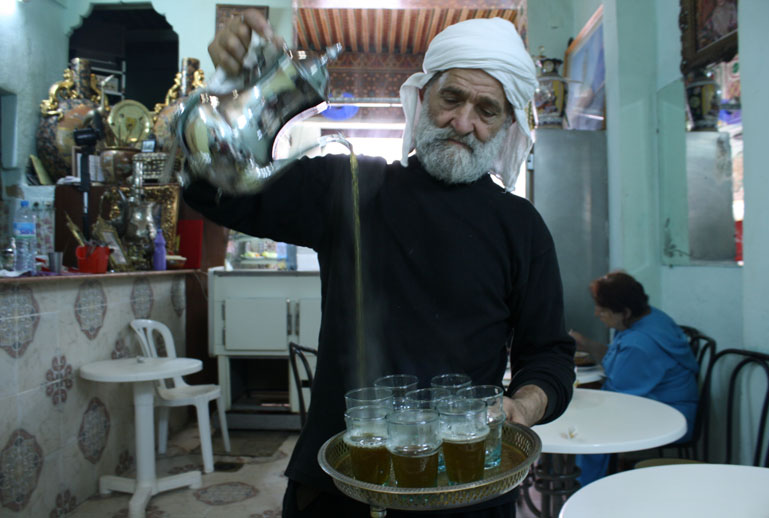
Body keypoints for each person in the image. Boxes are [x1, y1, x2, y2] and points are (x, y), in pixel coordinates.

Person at [192, 10, 575, 517]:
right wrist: (239, 89)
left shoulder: (521, 227)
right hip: (341, 489)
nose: (464, 123)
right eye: (452, 98)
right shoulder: (350, 187)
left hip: (465, 489)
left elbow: (549, 355)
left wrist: (519, 407)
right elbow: (214, 191)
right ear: (421, 99)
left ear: (506, 127)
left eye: (487, 110)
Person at [569, 271, 699, 486]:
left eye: (603, 310)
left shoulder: (640, 344)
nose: (596, 314)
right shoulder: (649, 318)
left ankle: (586, 489)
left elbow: (618, 397)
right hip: (658, 404)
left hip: (670, 416)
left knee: (590, 425)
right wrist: (587, 343)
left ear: (625, 312)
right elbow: (617, 361)